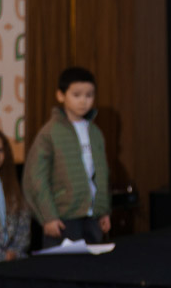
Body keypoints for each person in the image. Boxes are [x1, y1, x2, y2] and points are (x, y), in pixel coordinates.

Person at [23, 67, 111, 246]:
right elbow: (36, 178)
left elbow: (102, 174)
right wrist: (48, 216)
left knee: (94, 260)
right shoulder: (50, 132)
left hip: (92, 217)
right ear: (60, 95)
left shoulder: (95, 132)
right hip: (63, 217)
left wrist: (104, 210)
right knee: (64, 262)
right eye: (76, 95)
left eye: (89, 95)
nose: (83, 101)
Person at [0, 127, 30, 263]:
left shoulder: (12, 184)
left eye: (0, 150)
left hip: (14, 260)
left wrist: (15, 252)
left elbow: (23, 222)